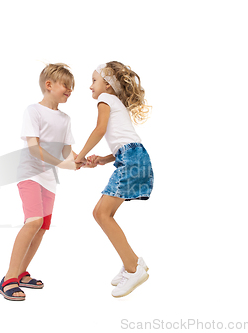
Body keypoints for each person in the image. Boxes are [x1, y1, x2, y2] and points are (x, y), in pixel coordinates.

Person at [0, 63, 82, 301]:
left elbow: (68, 152)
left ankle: (22, 273)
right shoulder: (33, 111)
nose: (70, 90)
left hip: (48, 180)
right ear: (49, 85)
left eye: (72, 87)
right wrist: (63, 164)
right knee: (33, 222)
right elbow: (34, 149)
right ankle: (8, 279)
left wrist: (83, 160)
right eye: (66, 85)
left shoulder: (65, 119)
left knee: (42, 228)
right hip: (30, 173)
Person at [75, 61, 154, 298]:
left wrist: (79, 156)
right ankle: (132, 261)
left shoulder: (106, 100)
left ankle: (133, 268)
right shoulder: (116, 102)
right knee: (100, 212)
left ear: (108, 85)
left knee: (102, 214)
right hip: (132, 157)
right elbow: (126, 142)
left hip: (132, 159)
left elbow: (100, 130)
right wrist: (104, 159)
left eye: (94, 81)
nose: (90, 87)